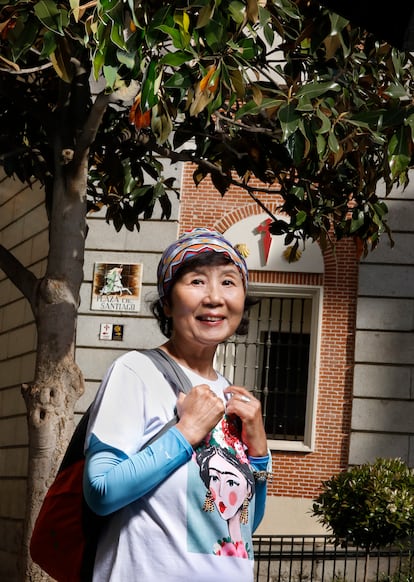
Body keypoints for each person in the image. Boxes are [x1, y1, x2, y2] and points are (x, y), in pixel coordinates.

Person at [83, 228, 271, 582]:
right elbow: (101, 491)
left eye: (229, 282)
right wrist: (186, 433)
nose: (215, 297)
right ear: (168, 302)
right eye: (197, 281)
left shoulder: (230, 395)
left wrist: (259, 454)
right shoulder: (136, 371)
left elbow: (241, 523)